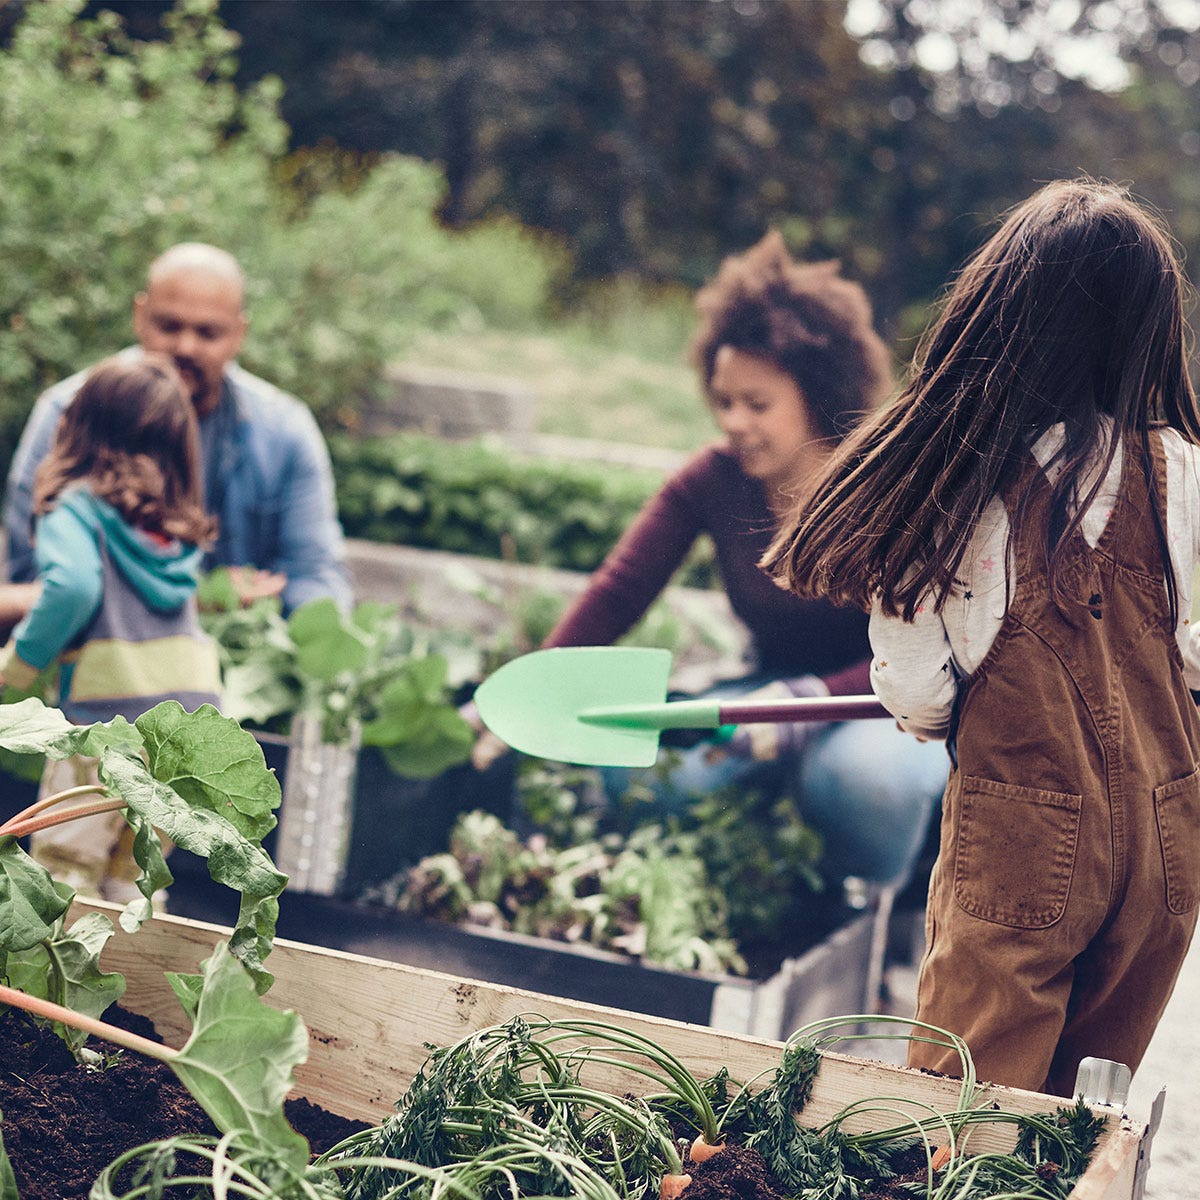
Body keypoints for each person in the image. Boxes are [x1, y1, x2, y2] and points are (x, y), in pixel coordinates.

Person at [763, 178, 1200, 1096]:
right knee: (1086, 1100)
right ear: (1149, 331)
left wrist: (940, 717)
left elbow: (919, 691)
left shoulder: (961, 479)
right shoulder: (1183, 472)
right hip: (1169, 838)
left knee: (967, 1107)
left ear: (998, 318)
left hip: (1022, 836)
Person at [484, 232, 947, 891]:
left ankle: (866, 929)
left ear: (817, 395)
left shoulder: (886, 488)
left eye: (757, 404)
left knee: (858, 781)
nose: (733, 421)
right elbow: (619, 590)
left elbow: (929, 645)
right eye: (724, 401)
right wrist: (529, 691)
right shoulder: (714, 480)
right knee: (655, 779)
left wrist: (811, 702)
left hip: (885, 700)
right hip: (773, 688)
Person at [4, 242, 351, 615]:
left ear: (238, 334)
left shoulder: (284, 430)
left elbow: (315, 577)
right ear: (140, 316)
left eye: (208, 333)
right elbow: (30, 573)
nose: (185, 347)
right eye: (169, 326)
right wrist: (198, 602)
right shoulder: (70, 411)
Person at [1, 354, 223, 904]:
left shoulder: (76, 510)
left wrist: (19, 663)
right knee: (133, 886)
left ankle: (52, 989)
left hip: (105, 729)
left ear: (75, 428)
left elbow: (73, 587)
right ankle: (135, 990)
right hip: (184, 733)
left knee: (64, 875)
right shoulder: (171, 525)